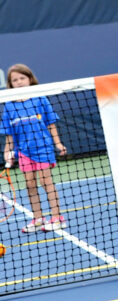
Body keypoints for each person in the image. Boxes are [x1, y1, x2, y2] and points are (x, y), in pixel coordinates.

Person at [2, 64, 66, 234]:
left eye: (22, 78)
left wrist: (58, 144)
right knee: (30, 185)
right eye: (15, 80)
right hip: (23, 151)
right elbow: (9, 134)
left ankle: (58, 218)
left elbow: (51, 124)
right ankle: (38, 218)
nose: (19, 82)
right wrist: (7, 151)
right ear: (10, 84)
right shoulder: (9, 106)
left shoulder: (40, 99)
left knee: (46, 183)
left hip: (43, 148)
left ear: (30, 79)